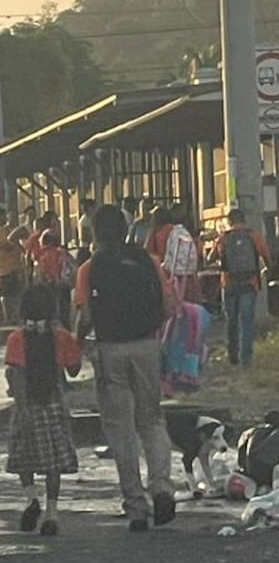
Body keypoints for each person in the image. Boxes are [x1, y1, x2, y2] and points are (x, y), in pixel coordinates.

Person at [74, 203, 175, 532]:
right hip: (146, 346)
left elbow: (85, 315)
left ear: (94, 233)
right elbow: (168, 306)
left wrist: (78, 344)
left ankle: (135, 505)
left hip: (110, 349)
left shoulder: (90, 268)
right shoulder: (148, 261)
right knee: (152, 419)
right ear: (126, 229)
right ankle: (161, 487)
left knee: (121, 429)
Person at [5, 282, 82, 537]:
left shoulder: (17, 338)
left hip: (27, 403)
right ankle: (52, 513)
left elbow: (16, 373)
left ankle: (31, 498)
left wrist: (22, 406)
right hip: (53, 402)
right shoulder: (61, 337)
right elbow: (74, 370)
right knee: (53, 462)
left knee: (24, 456)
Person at [211, 208, 271, 368]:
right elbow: (266, 256)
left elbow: (211, 257)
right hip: (249, 283)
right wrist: (268, 270)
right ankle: (246, 358)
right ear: (244, 220)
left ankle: (232, 355)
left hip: (229, 283)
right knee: (247, 321)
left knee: (231, 320)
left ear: (229, 221)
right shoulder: (254, 236)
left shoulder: (223, 238)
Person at [0, 209, 26, 322]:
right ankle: (8, 317)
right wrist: (14, 236)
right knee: (7, 295)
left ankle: (15, 316)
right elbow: (8, 245)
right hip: (4, 270)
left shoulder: (7, 229)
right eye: (3, 216)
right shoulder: (2, 232)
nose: (5, 218)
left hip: (15, 269)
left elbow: (19, 247)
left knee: (16, 295)